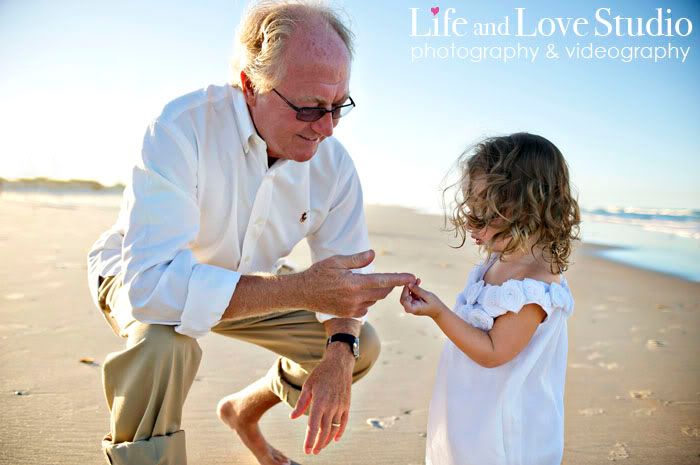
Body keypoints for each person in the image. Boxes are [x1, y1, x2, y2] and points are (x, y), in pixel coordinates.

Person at [86, 2, 415, 465]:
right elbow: (151, 288)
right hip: (142, 273)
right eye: (309, 108)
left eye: (339, 107)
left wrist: (340, 351)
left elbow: (347, 287)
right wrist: (301, 288)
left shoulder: (334, 164)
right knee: (161, 343)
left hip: (253, 281)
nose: (325, 128)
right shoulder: (181, 128)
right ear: (250, 86)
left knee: (361, 345)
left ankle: (243, 411)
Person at [399, 133, 581, 465]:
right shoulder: (500, 260)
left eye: (485, 213)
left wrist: (439, 312)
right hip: (472, 409)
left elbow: (493, 352)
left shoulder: (533, 288)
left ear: (528, 209)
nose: (470, 222)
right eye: (471, 208)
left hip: (505, 429)